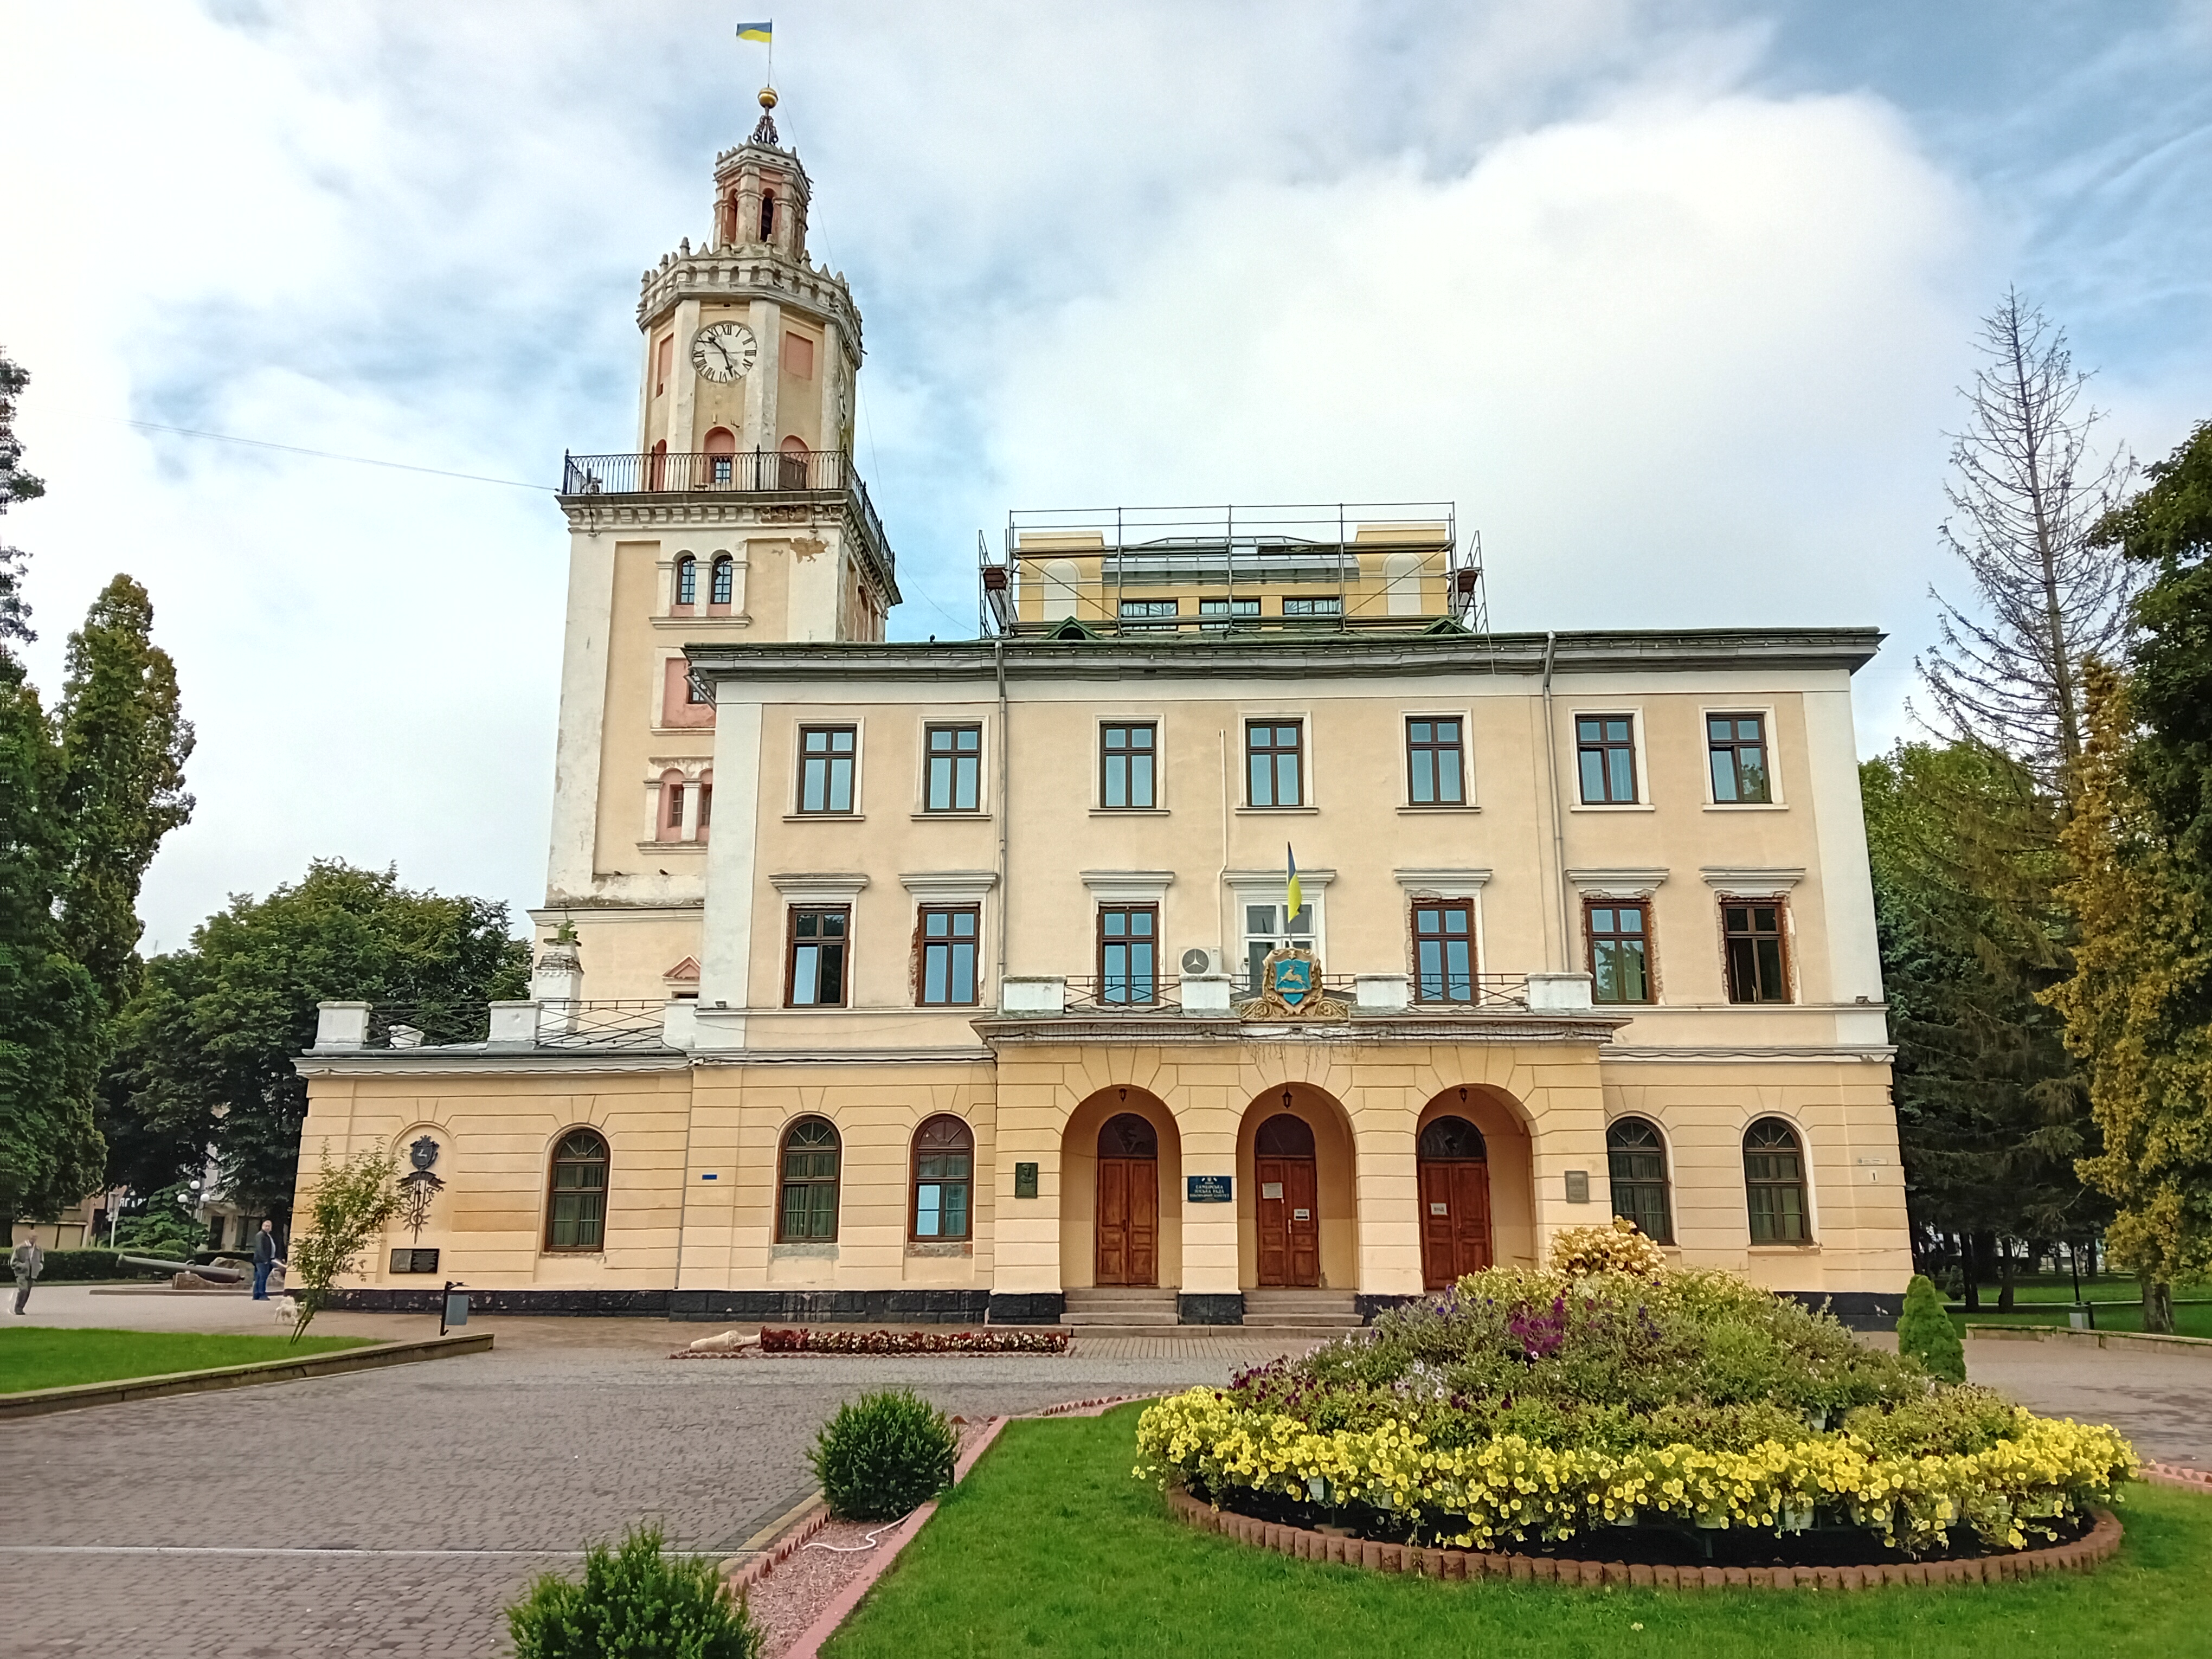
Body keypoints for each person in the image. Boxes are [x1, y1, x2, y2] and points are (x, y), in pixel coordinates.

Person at [252, 1219, 284, 1300]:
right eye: (266, 1226)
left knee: (260, 1277)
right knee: (263, 1277)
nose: (267, 1228)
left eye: (269, 1226)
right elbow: (260, 1248)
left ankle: (256, 1295)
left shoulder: (267, 1235)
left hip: (267, 1260)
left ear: (271, 1228)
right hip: (262, 1261)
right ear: (263, 1226)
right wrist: (265, 1260)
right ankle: (262, 1294)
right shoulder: (260, 1235)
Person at [11, 1232, 42, 1315]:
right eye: (32, 1237)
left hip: (32, 1274)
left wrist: (39, 1268)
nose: (34, 1239)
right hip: (21, 1273)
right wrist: (22, 1266)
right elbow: (13, 1262)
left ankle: (21, 1308)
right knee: (24, 1290)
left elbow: (41, 1261)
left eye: (35, 1237)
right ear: (28, 1237)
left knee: (27, 1292)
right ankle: (17, 1308)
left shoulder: (38, 1249)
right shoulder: (20, 1248)